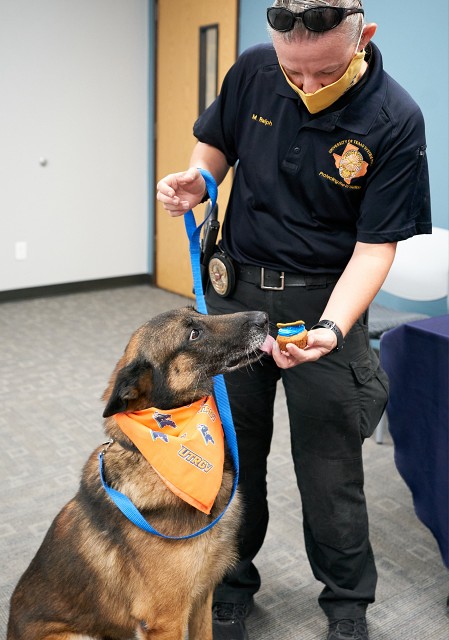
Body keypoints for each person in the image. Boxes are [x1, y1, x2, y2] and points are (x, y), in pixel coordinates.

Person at [156, 1, 431, 638]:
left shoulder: (395, 118)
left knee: (331, 468)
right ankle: (229, 587)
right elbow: (216, 145)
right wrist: (200, 180)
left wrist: (333, 329)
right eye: (293, 73)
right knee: (229, 458)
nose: (305, 87)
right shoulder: (253, 70)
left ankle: (347, 606)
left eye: (323, 73)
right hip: (237, 300)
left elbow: (375, 246)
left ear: (364, 36)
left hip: (326, 303)